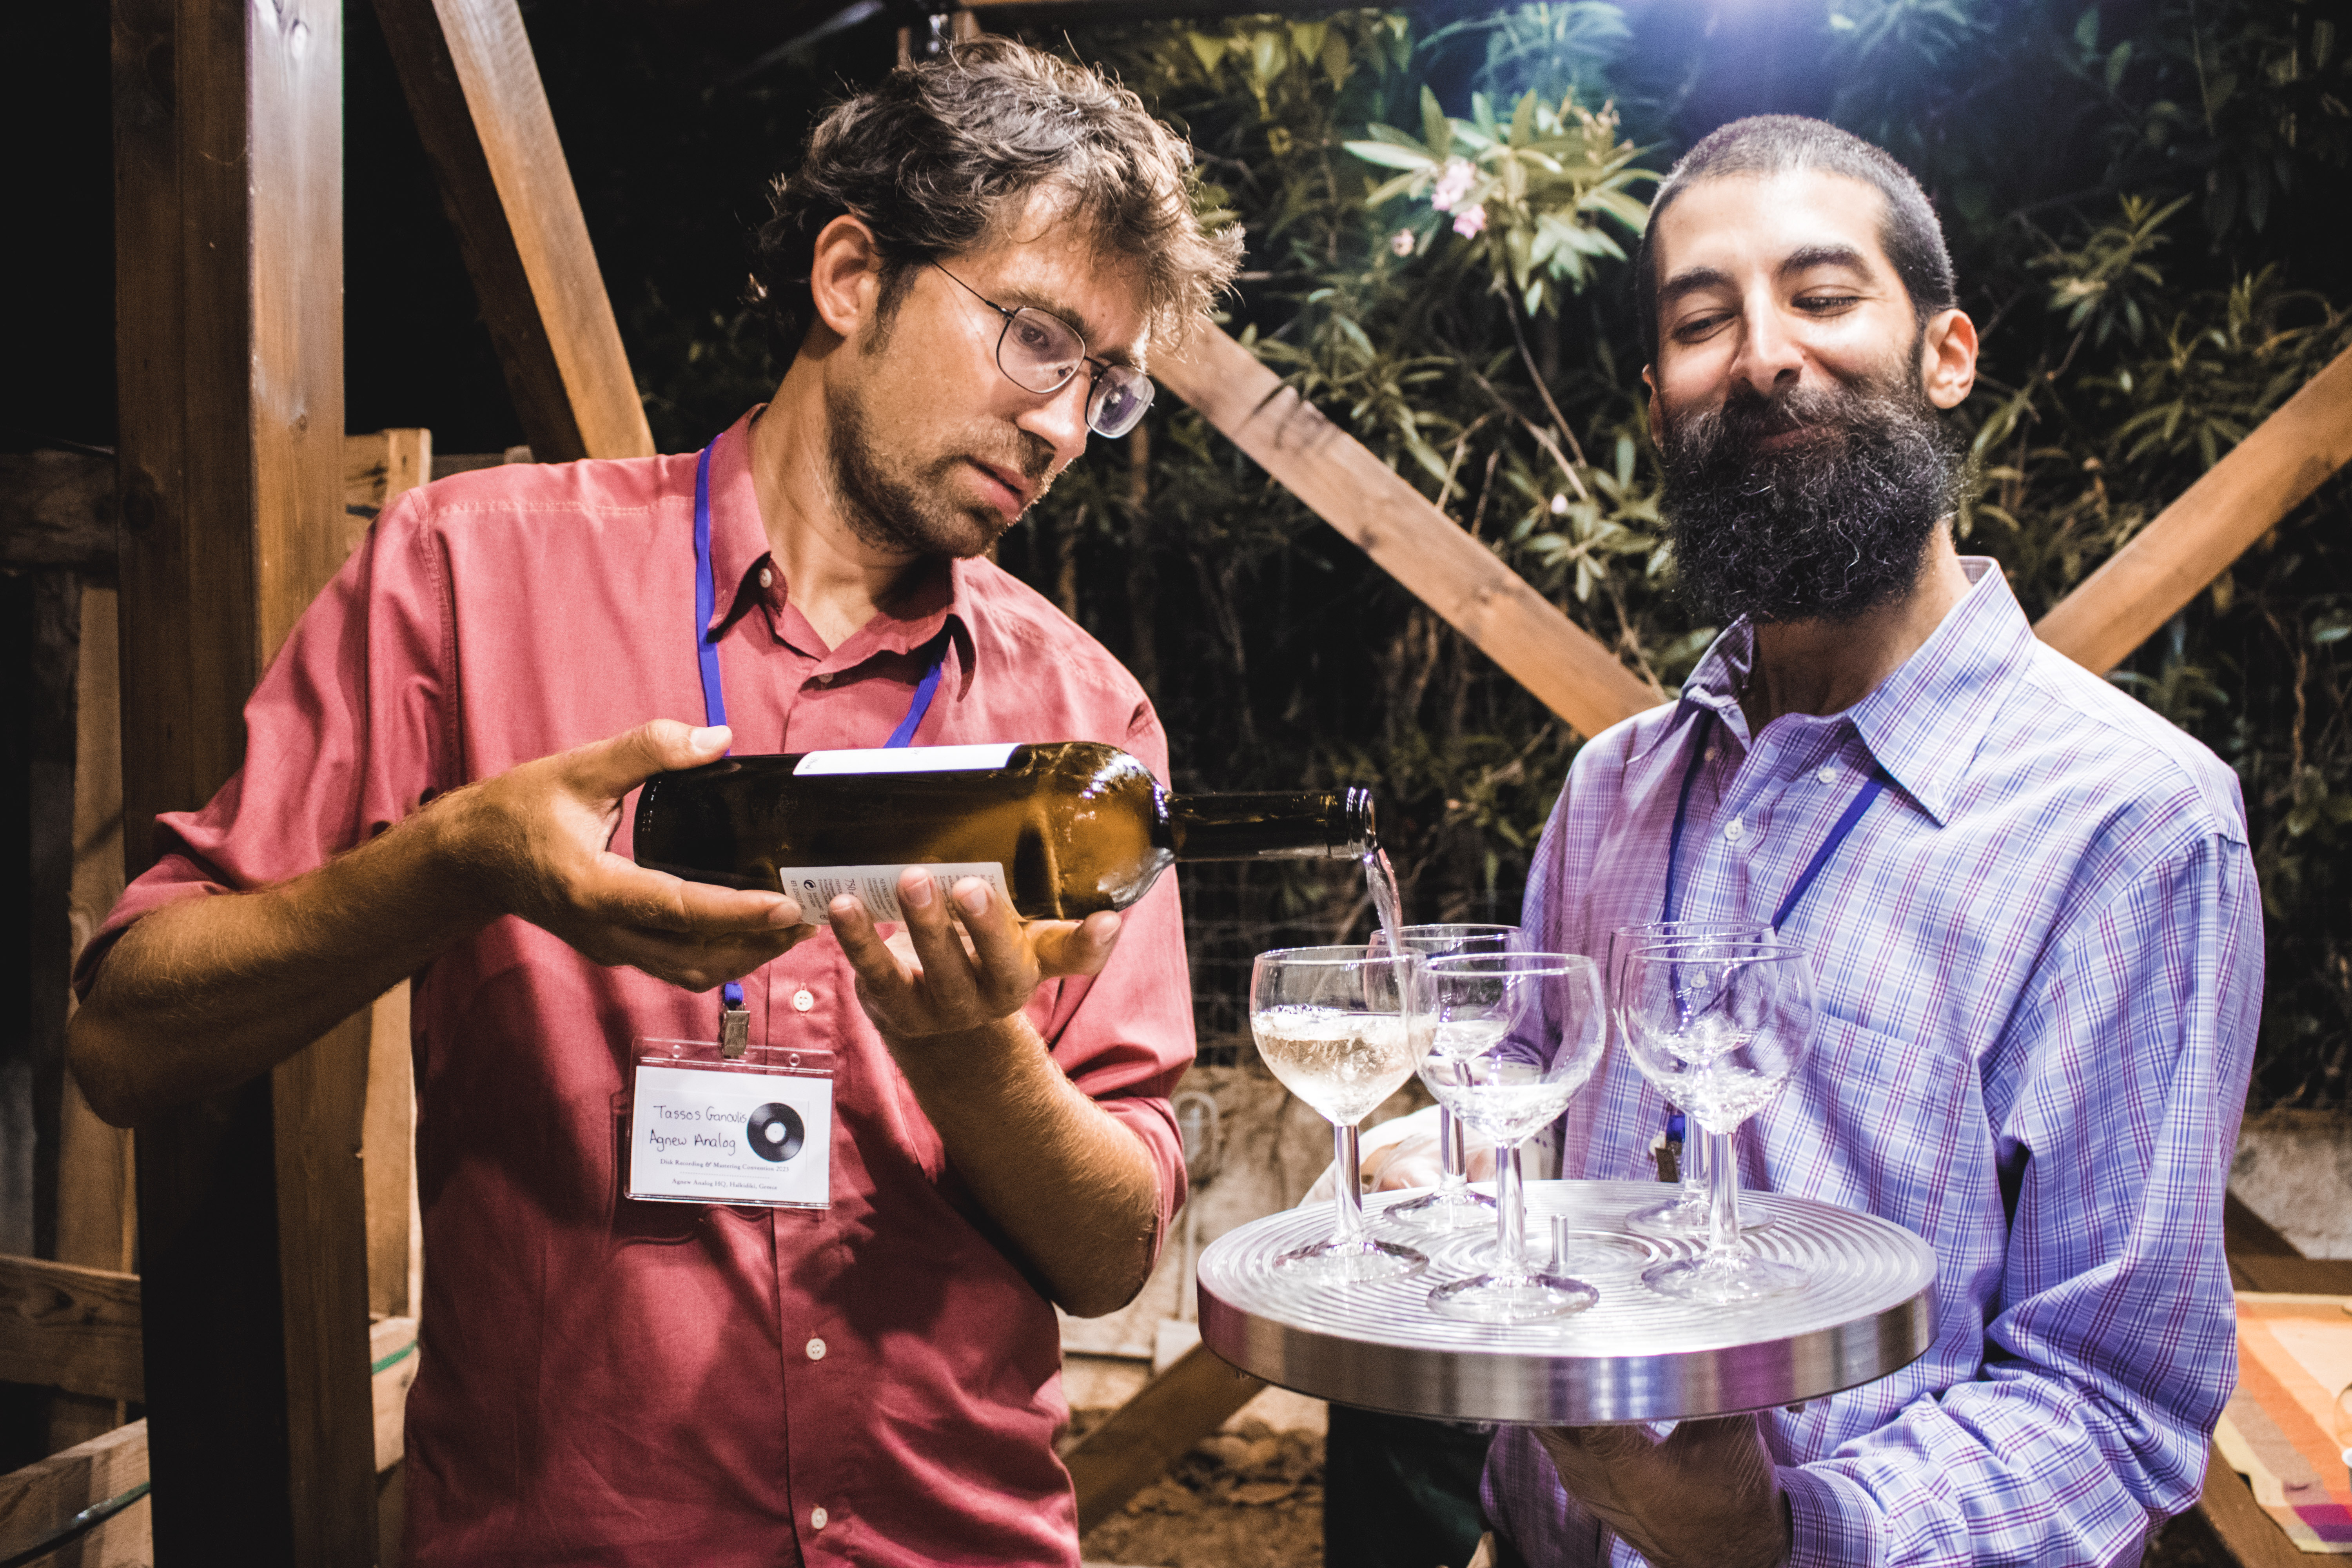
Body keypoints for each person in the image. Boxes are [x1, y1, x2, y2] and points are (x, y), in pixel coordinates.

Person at [68, 39, 1241, 1567]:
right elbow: (125, 1032)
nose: (1064, 422)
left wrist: (978, 1059)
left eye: (1108, 383)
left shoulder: (1086, 721)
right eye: (1036, 338)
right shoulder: (469, 573)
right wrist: (463, 861)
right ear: (848, 275)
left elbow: (1112, 1251)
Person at [1365, 116, 2261, 1566]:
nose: (1765, 353)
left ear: (1947, 352)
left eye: (1825, 295)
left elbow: (2112, 1402)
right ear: (1661, 397)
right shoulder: (1611, 790)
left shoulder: (2131, 823)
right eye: (1702, 319)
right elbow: (1538, 1115)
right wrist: (1451, 1155)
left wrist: (1789, 1535)